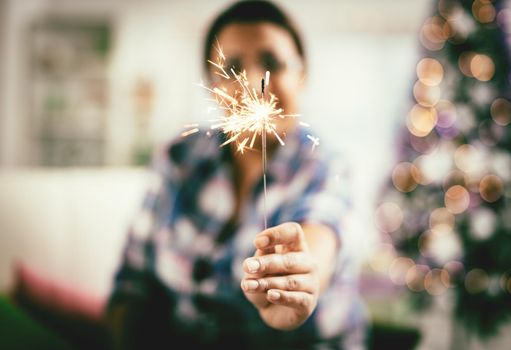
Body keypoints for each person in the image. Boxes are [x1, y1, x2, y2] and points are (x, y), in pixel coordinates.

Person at [106, 1, 367, 349]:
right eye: (231, 69)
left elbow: (320, 234)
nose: (254, 83)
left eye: (272, 62)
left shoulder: (326, 164)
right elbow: (133, 283)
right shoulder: (179, 158)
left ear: (302, 75)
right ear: (213, 86)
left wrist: (301, 278)